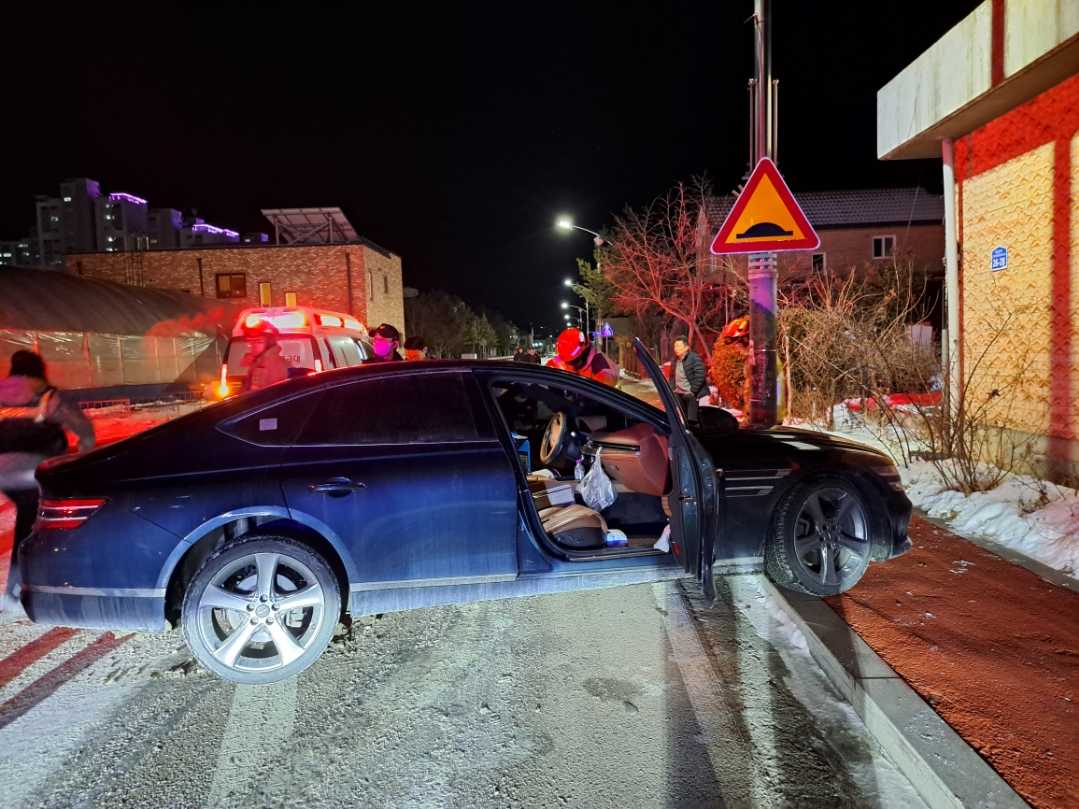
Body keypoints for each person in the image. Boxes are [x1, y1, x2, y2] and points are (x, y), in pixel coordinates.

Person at [1, 351, 95, 607]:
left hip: (3, 474)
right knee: (44, 522)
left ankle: (18, 586)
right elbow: (85, 431)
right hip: (35, 473)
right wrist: (84, 455)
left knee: (30, 520)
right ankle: (21, 587)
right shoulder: (50, 396)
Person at [546, 327, 618, 386]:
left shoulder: (600, 366)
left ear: (585, 351)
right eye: (569, 362)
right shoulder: (566, 356)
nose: (571, 365)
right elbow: (553, 362)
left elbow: (602, 391)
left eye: (574, 362)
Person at [668, 337, 710, 424]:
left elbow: (700, 374)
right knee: (684, 419)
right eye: (675, 346)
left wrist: (693, 390)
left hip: (691, 394)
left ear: (686, 348)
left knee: (692, 420)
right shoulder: (675, 360)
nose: (676, 349)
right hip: (679, 394)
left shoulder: (694, 358)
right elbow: (672, 376)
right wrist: (672, 389)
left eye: (678, 346)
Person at [242, 322, 291, 391]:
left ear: (270, 342)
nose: (253, 346)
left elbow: (257, 395)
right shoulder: (259, 361)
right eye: (250, 341)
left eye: (259, 341)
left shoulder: (268, 364)